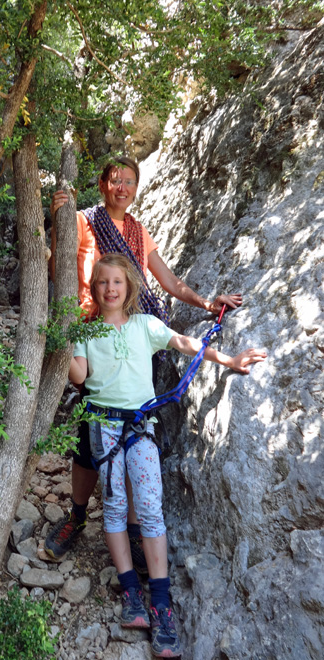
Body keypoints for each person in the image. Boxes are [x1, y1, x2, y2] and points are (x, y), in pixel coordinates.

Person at [46, 155, 243, 568]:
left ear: (136, 188)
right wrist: (56, 224)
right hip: (91, 333)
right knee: (89, 434)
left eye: (129, 182)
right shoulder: (82, 221)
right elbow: (56, 268)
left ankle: (132, 530)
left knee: (136, 433)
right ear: (102, 185)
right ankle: (79, 515)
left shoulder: (137, 231)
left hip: (133, 331)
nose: (122, 188)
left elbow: (166, 279)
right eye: (115, 180)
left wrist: (206, 303)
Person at [68, 253, 266, 657]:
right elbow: (79, 376)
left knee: (150, 508)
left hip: (139, 428)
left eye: (117, 283)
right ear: (94, 289)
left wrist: (227, 358)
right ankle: (131, 594)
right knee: (114, 506)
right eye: (103, 282)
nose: (110, 289)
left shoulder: (145, 325)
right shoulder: (85, 333)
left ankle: (161, 603)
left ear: (129, 288)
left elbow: (184, 342)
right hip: (103, 428)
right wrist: (63, 337)